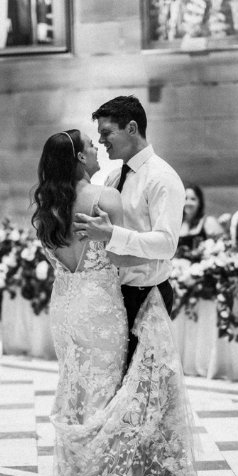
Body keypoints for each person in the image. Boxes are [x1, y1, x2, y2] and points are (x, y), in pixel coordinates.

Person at [34, 129, 198, 476]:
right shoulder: (102, 197)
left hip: (67, 304)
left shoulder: (46, 205)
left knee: (76, 389)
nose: (97, 150)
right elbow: (120, 256)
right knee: (106, 394)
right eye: (90, 146)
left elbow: (62, 253)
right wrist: (116, 238)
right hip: (101, 307)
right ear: (77, 159)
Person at [73, 95, 186, 375]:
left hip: (148, 295)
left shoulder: (162, 178)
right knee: (118, 382)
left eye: (106, 132)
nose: (101, 142)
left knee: (144, 385)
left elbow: (167, 244)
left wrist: (113, 234)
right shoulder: (113, 177)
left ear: (132, 128)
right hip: (114, 295)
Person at [177, 184, 224, 254]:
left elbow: (223, 242)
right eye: (185, 198)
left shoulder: (208, 221)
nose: (188, 202)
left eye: (193, 199)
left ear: (200, 202)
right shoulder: (176, 224)